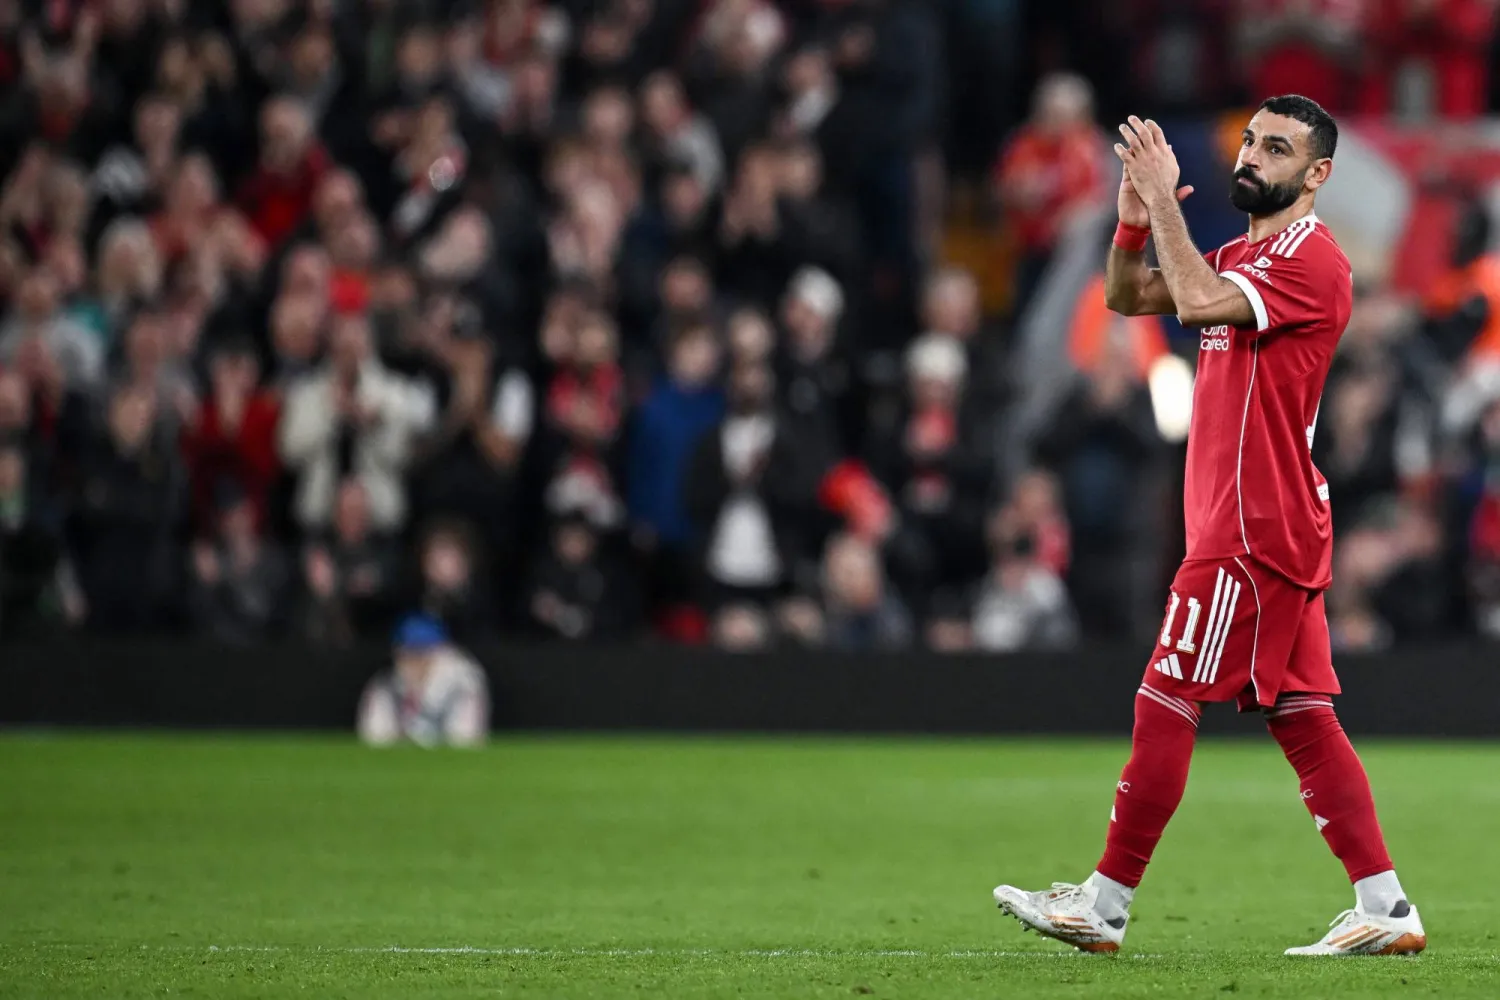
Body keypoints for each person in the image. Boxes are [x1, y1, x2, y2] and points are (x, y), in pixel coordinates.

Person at [992, 96, 1426, 957]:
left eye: (1277, 148)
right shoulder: (1238, 256)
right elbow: (1128, 295)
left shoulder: (1312, 259)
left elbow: (1191, 301)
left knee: (1166, 694)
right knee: (1302, 716)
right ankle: (1386, 905)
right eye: (1250, 141)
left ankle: (1105, 903)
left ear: (1317, 175)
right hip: (1261, 523)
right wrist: (1131, 223)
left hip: (1252, 525)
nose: (1252, 156)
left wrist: (1162, 199)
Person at [356, 614, 489, 748]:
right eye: (407, 653)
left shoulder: (463, 683)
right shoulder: (386, 686)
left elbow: (465, 740)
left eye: (422, 652)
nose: (414, 661)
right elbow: (375, 740)